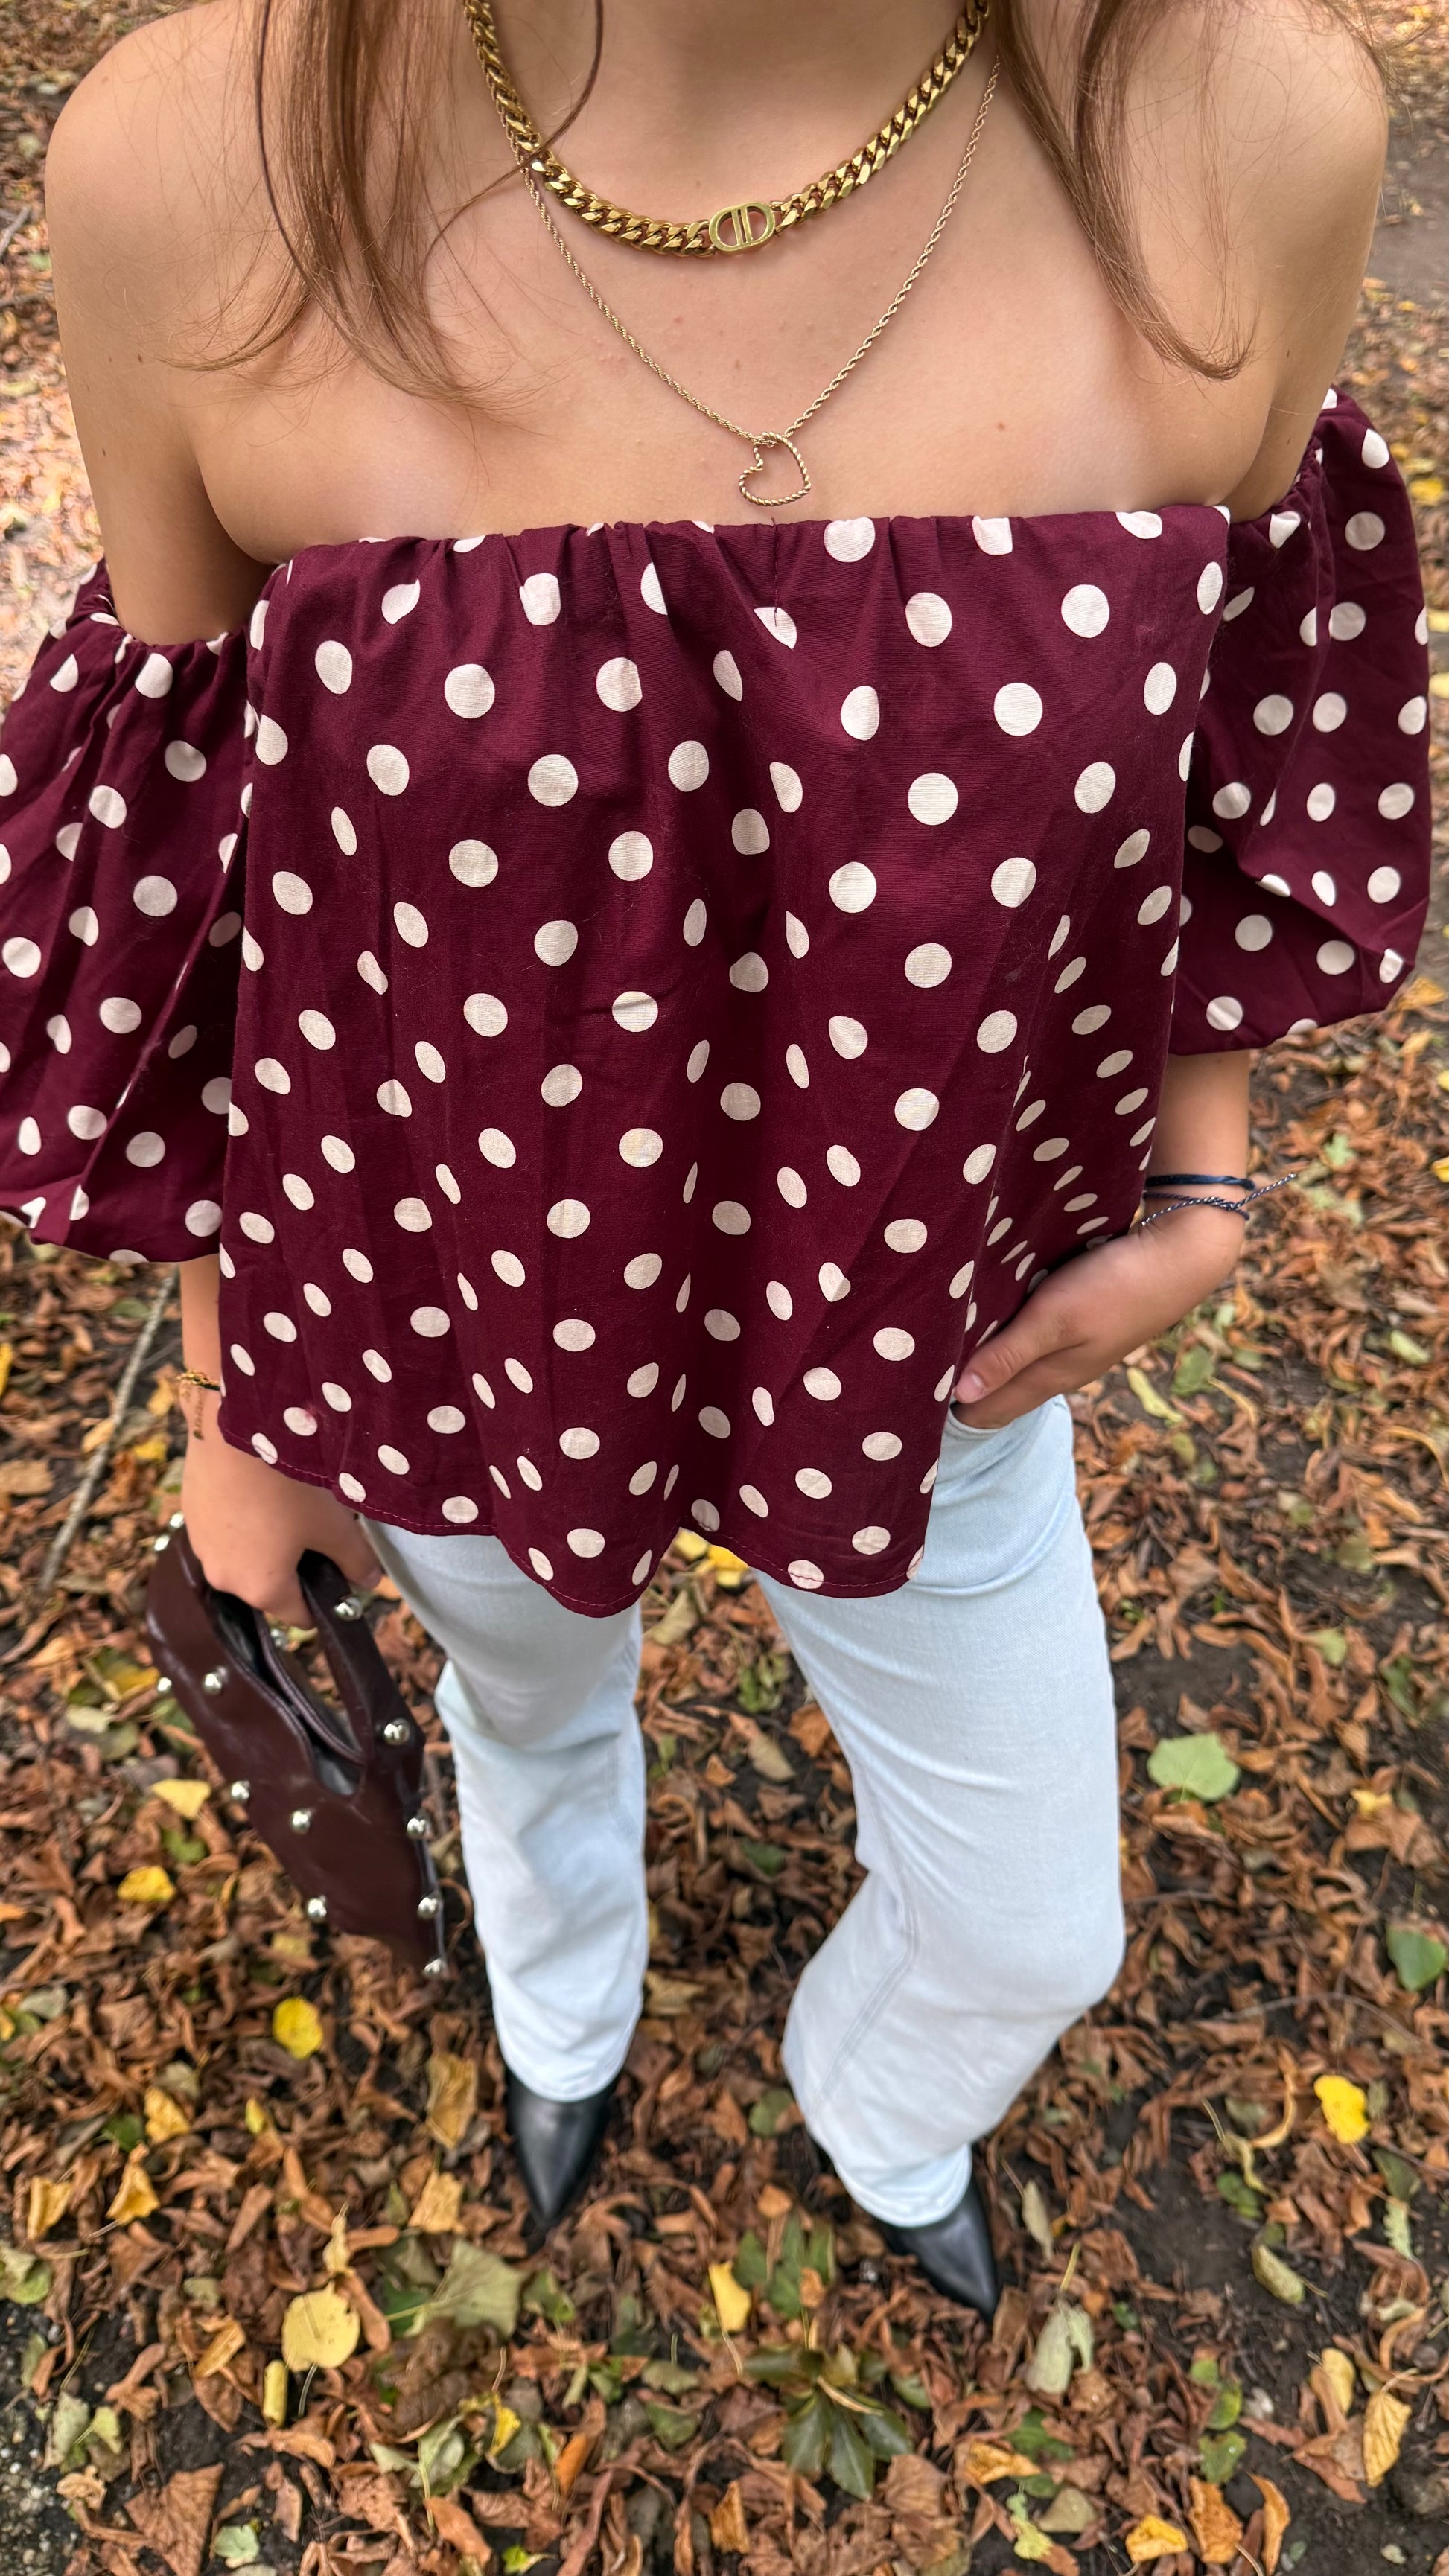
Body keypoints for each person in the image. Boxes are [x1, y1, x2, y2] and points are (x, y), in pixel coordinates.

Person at [0, 0, 1429, 2311]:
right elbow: (204, 896)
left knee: (1030, 1914)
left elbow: (1228, 740)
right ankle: (563, 2016)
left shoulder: (1240, 131)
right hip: (447, 1308)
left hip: (936, 1317)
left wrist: (1203, 1174)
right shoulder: (198, 168)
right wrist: (231, 1398)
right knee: (525, 1712)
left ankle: (883, 2108)